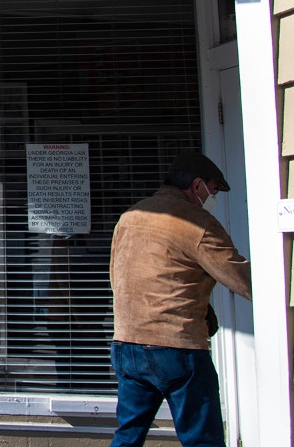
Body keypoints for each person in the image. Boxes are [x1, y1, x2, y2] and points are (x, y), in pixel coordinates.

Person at [109, 151, 252, 447]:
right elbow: (242, 279)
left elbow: (119, 275)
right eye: (213, 190)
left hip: (127, 343)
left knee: (127, 436)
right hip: (176, 345)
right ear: (197, 185)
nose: (213, 197)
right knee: (203, 440)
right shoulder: (197, 222)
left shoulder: (130, 217)